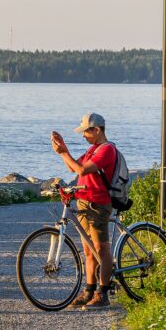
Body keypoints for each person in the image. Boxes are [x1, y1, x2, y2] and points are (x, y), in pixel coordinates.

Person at [50, 112, 116, 309]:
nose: (83, 136)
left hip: (98, 204)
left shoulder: (106, 150)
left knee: (101, 249)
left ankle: (103, 294)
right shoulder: (92, 150)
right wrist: (62, 151)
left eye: (86, 132)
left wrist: (64, 152)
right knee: (88, 251)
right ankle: (89, 291)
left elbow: (82, 170)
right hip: (84, 202)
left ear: (96, 130)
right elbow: (73, 168)